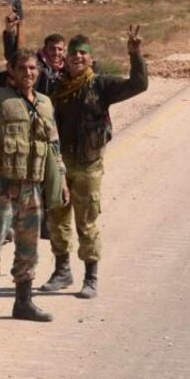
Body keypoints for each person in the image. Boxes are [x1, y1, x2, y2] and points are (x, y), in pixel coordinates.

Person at [39, 26, 148, 298]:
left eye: (82, 53)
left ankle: (90, 277)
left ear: (90, 59)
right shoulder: (54, 86)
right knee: (57, 220)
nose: (77, 57)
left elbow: (139, 84)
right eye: (73, 53)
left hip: (88, 165)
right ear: (65, 59)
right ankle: (62, 271)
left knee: (86, 222)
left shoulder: (101, 85)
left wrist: (135, 55)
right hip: (59, 165)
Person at [0, 48, 68, 327]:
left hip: (32, 186)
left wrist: (60, 179)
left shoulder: (45, 103)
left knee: (29, 247)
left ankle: (23, 302)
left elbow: (53, 146)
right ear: (10, 71)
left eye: (33, 68)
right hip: (0, 186)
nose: (29, 73)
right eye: (23, 68)